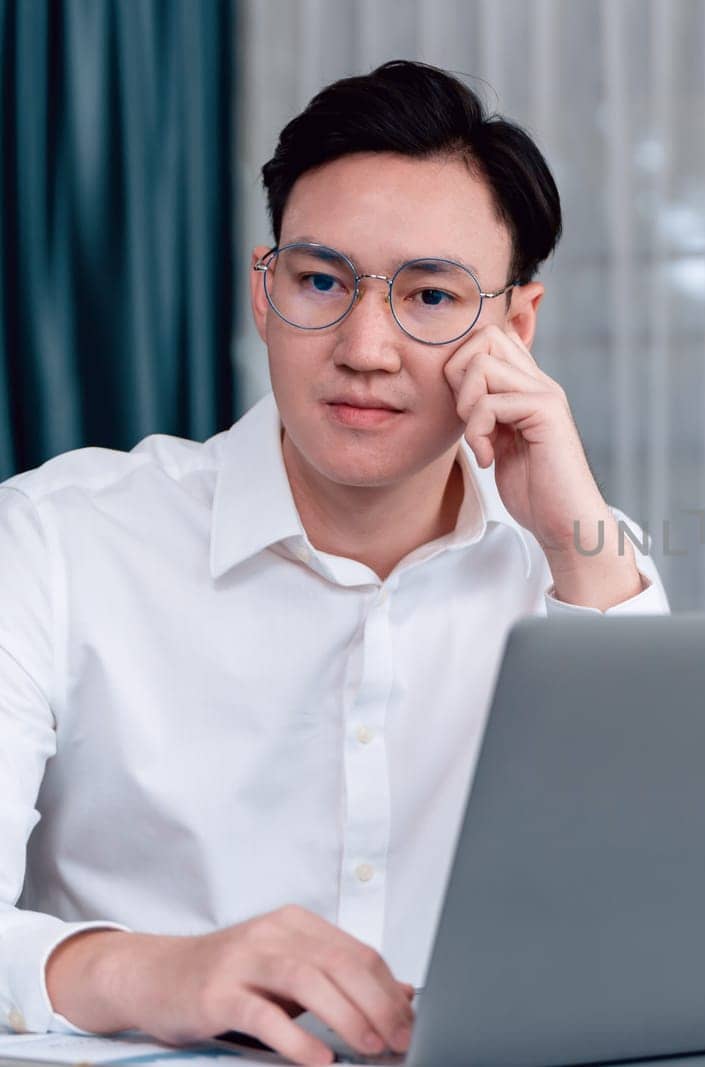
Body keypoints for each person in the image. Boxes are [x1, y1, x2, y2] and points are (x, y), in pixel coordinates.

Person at [0, 61, 668, 1065]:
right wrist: (155, 970)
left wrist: (580, 548)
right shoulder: (55, 537)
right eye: (321, 280)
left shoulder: (581, 557)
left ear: (516, 327)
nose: (365, 346)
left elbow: (666, 908)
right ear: (264, 292)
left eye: (431, 294)